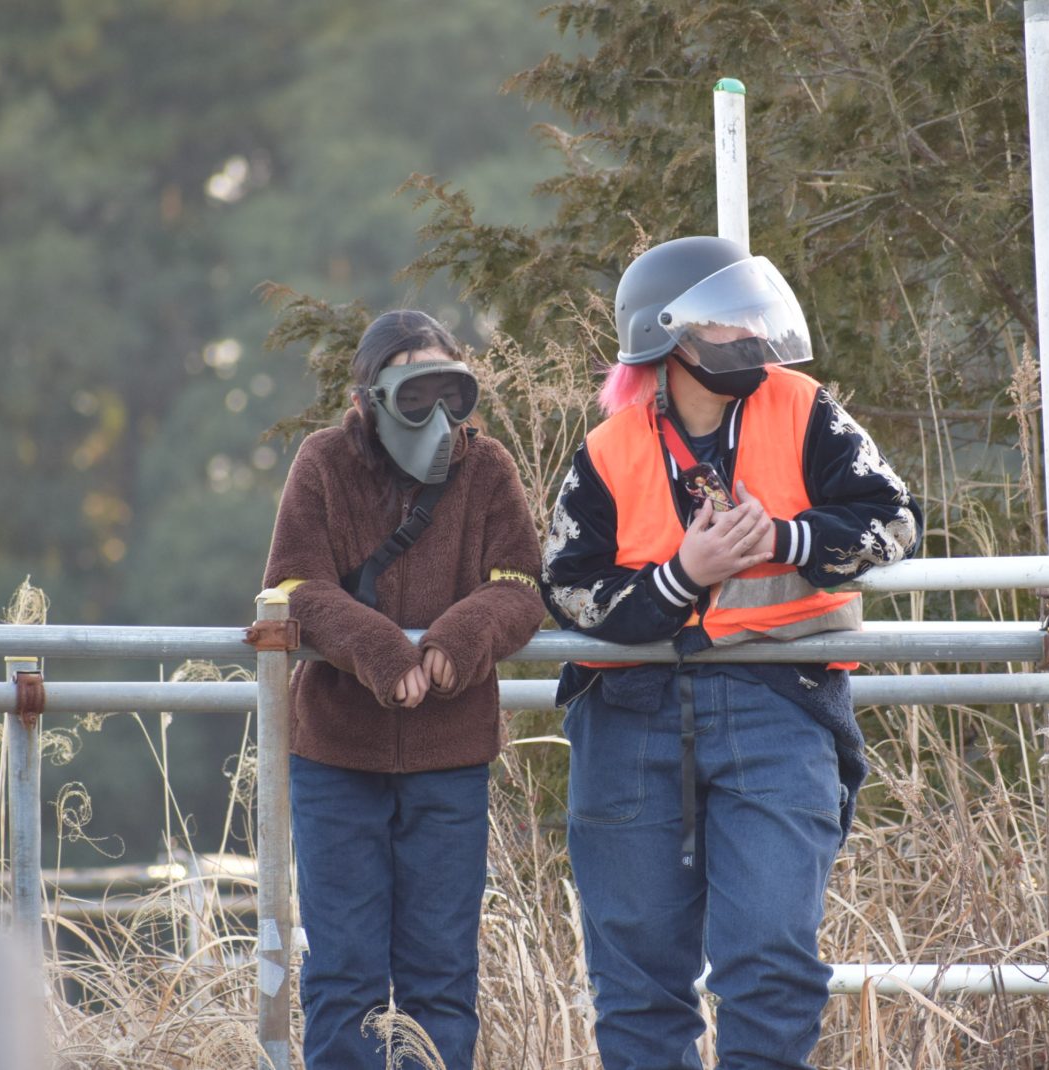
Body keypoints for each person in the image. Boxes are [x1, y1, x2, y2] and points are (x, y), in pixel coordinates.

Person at [541, 236, 922, 1070]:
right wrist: (684, 576)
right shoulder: (607, 450)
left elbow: (896, 520)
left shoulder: (806, 407)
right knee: (637, 986)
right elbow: (566, 588)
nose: (753, 335)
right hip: (629, 717)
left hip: (779, 703)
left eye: (755, 315)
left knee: (772, 963)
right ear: (668, 337)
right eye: (729, 321)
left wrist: (787, 539)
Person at [262, 309, 546, 1069]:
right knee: (344, 977)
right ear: (368, 399)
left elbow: (520, 585)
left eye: (451, 391)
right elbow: (292, 584)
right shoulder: (325, 461)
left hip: (449, 761)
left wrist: (460, 638)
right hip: (336, 758)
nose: (438, 415)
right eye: (414, 395)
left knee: (441, 980)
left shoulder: (487, 468)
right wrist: (382, 650)